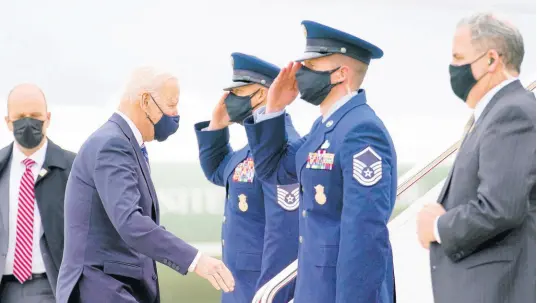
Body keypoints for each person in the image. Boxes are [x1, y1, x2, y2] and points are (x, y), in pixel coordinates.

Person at [242, 21, 397, 302]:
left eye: (312, 66)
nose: (300, 73)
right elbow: (273, 170)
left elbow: (364, 235)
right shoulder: (324, 128)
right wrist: (274, 108)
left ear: (341, 74)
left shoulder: (361, 131)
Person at [56, 67, 235, 303]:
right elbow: (130, 222)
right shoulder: (113, 144)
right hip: (102, 289)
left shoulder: (126, 143)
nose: (176, 114)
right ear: (145, 101)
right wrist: (196, 260)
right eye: (172, 104)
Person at [416, 13, 535, 303]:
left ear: (491, 60)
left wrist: (438, 227)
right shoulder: (495, 113)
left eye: (459, 57)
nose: (453, 67)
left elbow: (500, 207)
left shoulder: (512, 113)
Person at [194, 52, 300, 303]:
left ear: (262, 94)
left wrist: (271, 293)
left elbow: (284, 236)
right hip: (239, 287)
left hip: (261, 290)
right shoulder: (252, 149)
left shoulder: (283, 147)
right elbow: (219, 172)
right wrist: (216, 127)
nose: (229, 100)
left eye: (237, 92)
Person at [0, 84, 76, 303]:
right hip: (5, 289)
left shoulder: (73, 169)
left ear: (48, 118)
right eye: (20, 117)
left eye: (35, 116)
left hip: (52, 288)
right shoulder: (1, 168)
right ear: (7, 122)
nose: (28, 123)